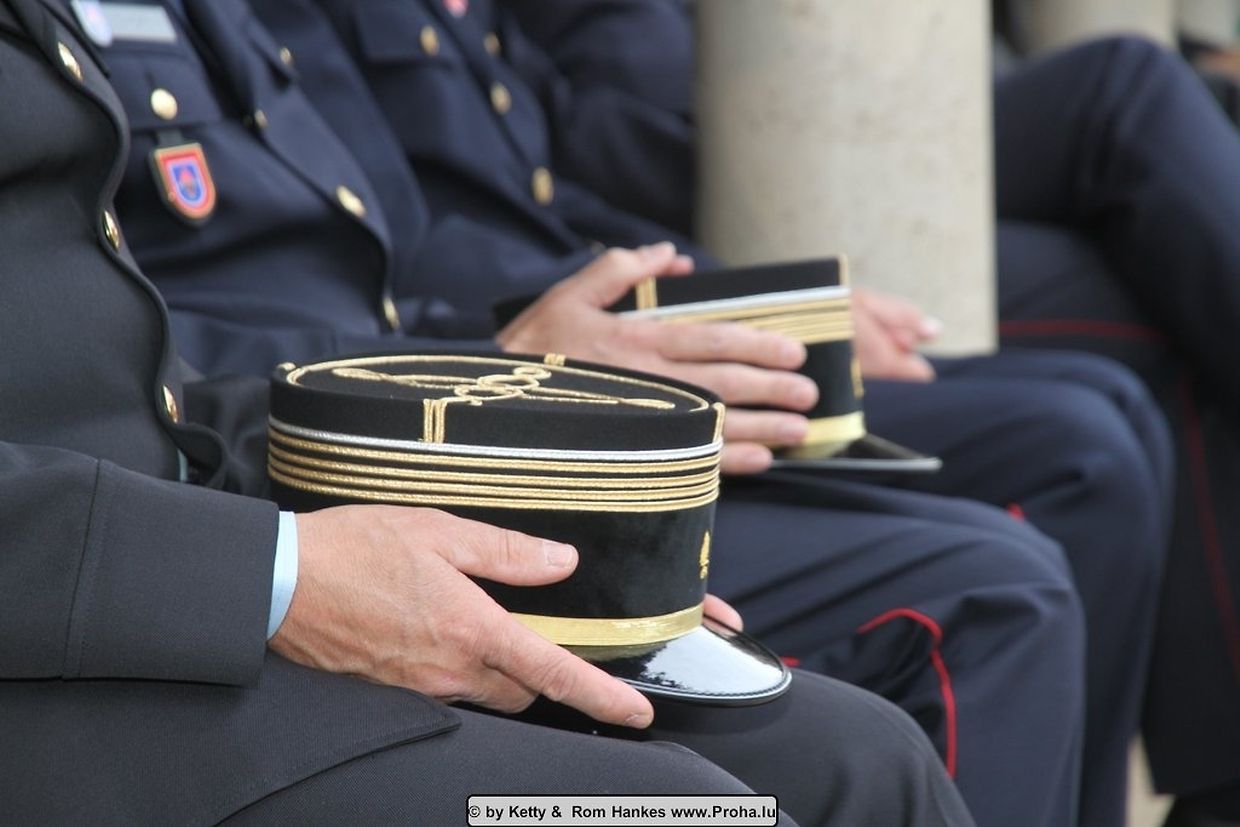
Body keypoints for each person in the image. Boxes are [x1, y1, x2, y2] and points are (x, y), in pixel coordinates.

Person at [98, 1, 1105, 823]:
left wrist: (678, 314)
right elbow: (126, 363)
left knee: (1066, 467)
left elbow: (413, 252)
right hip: (335, 486)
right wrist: (507, 365)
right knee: (987, 596)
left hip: (426, 435)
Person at [499, 4, 1240, 822]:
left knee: (1114, 397)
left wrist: (742, 299)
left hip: (641, 282)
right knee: (1043, 519)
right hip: (549, 380)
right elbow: (574, 167)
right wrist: (535, 351)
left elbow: (546, 195)